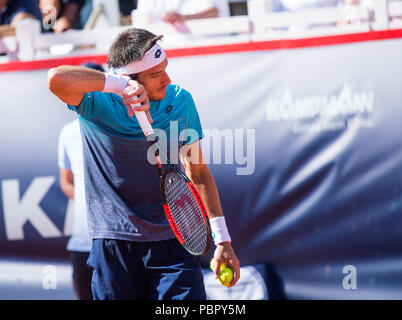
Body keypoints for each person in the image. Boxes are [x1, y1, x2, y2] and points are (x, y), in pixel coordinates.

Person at [48, 27, 240, 300]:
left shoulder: (180, 101)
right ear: (129, 80)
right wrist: (117, 86)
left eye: (165, 69)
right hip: (114, 244)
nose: (167, 79)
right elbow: (56, 79)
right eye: (155, 74)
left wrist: (222, 240)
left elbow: (197, 171)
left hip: (176, 242)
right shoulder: (97, 104)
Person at [57, 62, 105, 300]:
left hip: (114, 242)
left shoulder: (118, 127)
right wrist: (89, 199)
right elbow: (66, 182)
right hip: (81, 243)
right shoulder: (67, 132)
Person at [135, 0, 227, 27]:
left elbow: (213, 12)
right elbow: (141, 21)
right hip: (164, 52)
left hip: (204, 46)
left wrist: (183, 17)